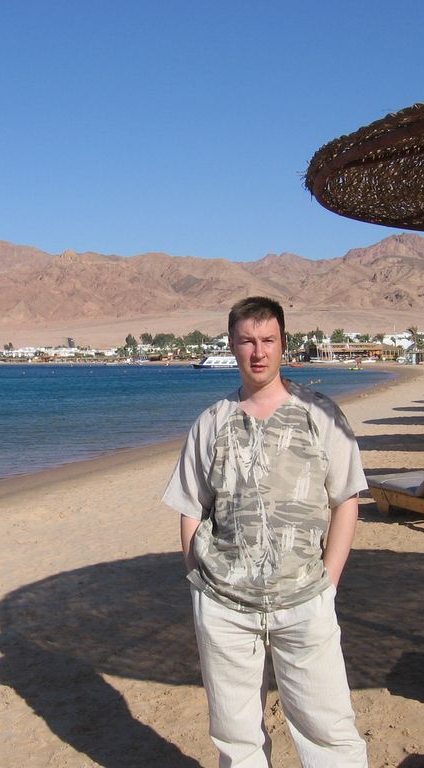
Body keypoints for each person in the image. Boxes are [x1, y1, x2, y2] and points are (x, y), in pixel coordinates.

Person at [163, 296, 368, 768]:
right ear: (232, 345)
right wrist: (198, 582)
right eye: (247, 341)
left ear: (283, 344)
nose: (258, 352)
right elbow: (191, 508)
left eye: (268, 340)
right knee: (236, 737)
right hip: (224, 603)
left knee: (329, 728)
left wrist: (329, 580)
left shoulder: (321, 415)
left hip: (304, 597)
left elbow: (346, 500)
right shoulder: (211, 423)